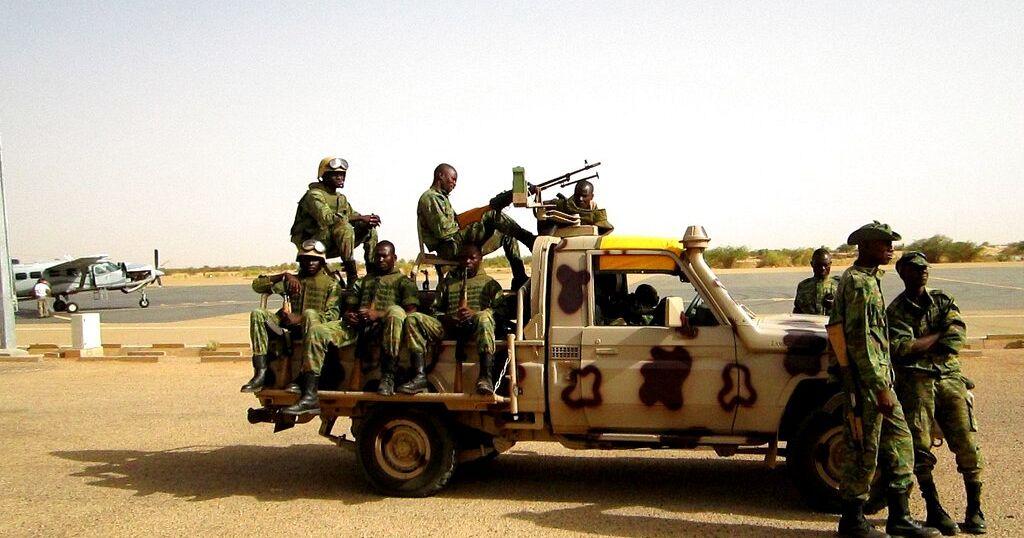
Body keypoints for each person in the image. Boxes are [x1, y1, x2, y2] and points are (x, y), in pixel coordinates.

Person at [827, 221, 939, 538]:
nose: (890, 248)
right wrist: (879, 388)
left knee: (900, 444)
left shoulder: (870, 279)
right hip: (868, 385)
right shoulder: (859, 283)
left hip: (878, 381)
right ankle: (852, 521)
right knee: (864, 448)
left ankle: (900, 517)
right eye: (883, 243)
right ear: (865, 246)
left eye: (891, 243)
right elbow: (860, 340)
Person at [888, 251, 986, 535]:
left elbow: (955, 338)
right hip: (916, 382)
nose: (923, 272)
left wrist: (923, 342)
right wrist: (937, 336)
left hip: (949, 378)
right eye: (916, 268)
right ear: (903, 273)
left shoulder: (943, 300)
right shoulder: (895, 311)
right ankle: (934, 508)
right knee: (920, 448)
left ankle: (974, 509)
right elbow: (901, 348)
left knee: (966, 442)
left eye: (925, 268)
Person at [283, 241, 419, 415]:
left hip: (387, 330)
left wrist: (377, 314)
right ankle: (310, 394)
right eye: (377, 256)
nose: (380, 259)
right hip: (357, 328)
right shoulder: (363, 282)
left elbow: (410, 313)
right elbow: (349, 307)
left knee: (395, 311)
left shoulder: (404, 283)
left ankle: (388, 377)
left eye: (384, 256)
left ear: (394, 258)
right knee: (317, 331)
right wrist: (350, 315)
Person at [400, 243, 504, 395]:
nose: (467, 261)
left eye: (472, 258)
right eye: (463, 258)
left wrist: (475, 314)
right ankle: (419, 376)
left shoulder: (490, 284)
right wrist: (447, 318)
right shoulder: (448, 284)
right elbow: (434, 310)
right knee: (413, 319)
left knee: (484, 317)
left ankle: (485, 377)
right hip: (449, 328)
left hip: (477, 330)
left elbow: (501, 312)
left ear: (480, 259)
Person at [240, 240, 341, 393]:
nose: (310, 263)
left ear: (321, 262)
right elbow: (257, 286)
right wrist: (284, 275)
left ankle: (303, 375)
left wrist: (300, 318)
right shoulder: (291, 281)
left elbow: (332, 315)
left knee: (310, 315)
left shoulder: (331, 285)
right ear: (300, 261)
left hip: (314, 330)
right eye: (306, 259)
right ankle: (261, 373)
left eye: (315, 260)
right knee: (258, 314)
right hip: (286, 326)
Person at [417, 163, 536, 290]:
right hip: (449, 247)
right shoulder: (431, 197)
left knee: (507, 233)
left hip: (456, 243)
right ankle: (529, 240)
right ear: (440, 175)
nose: (454, 183)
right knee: (491, 214)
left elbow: (456, 223)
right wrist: (475, 218)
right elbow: (444, 232)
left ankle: (519, 278)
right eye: (453, 179)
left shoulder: (441, 198)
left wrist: (474, 217)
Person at [290, 157, 380, 287]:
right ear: (324, 176)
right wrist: (360, 218)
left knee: (369, 230)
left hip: (333, 241)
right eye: (335, 174)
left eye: (342, 174)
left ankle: (372, 273)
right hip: (311, 245)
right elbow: (327, 218)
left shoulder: (340, 198)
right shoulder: (314, 195)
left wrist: (368, 220)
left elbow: (353, 215)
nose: (340, 177)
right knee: (345, 228)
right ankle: (352, 277)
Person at [542, 180, 614, 235]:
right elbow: (543, 206)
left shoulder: (595, 213)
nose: (580, 199)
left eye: (584, 196)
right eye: (578, 195)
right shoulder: (564, 205)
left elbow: (605, 229)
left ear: (591, 196)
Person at [793, 248, 840, 315]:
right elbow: (797, 311)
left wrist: (836, 305)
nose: (823, 268)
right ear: (812, 264)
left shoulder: (839, 285)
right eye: (819, 265)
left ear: (830, 264)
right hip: (809, 321)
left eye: (825, 265)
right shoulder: (803, 286)